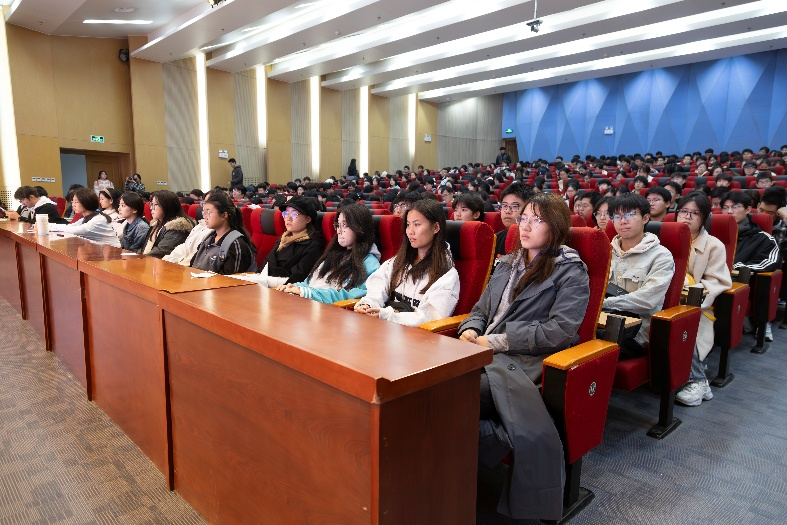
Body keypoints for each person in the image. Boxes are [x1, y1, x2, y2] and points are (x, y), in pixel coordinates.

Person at [457, 192, 589, 521]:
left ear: (555, 227)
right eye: (523, 219)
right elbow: (480, 310)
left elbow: (560, 332)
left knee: (454, 394)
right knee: (430, 387)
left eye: (536, 220)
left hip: (522, 362)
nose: (525, 227)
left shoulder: (571, 271)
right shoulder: (507, 263)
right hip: (482, 351)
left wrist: (496, 341)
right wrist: (470, 329)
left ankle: (495, 441)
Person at [355, 199, 459, 326]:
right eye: (408, 225)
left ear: (436, 227)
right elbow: (377, 286)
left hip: (416, 335)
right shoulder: (400, 260)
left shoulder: (447, 274)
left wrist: (387, 316)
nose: (410, 231)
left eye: (417, 224)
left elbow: (430, 317)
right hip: (385, 327)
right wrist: (368, 304)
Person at [673, 192, 732, 406]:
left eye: (695, 213)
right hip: (664, 297)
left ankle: (698, 380)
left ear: (704, 217)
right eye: (683, 211)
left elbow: (718, 281)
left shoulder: (714, 245)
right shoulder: (664, 237)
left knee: (684, 324)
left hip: (696, 303)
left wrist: (690, 289)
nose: (687, 217)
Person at [602, 193, 675, 356]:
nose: (623, 221)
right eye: (617, 216)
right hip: (602, 321)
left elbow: (647, 299)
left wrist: (603, 304)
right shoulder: (605, 251)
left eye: (630, 214)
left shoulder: (661, 256)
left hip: (636, 332)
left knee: (587, 349)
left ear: (646, 218)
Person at [277, 203, 381, 303]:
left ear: (360, 229)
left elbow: (353, 296)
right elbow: (310, 282)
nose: (339, 231)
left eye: (344, 225)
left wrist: (308, 293)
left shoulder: (370, 263)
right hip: (310, 304)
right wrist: (296, 287)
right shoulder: (334, 254)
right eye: (338, 225)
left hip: (331, 311)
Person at [722, 191, 781, 341]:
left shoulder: (762, 238)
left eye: (735, 207)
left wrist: (736, 266)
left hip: (739, 283)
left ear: (748, 209)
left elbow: (770, 262)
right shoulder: (713, 234)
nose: (729, 211)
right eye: (725, 207)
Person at [254, 196, 323, 287]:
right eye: (286, 213)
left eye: (294, 214)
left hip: (285, 292)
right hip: (265, 287)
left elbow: (298, 280)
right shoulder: (282, 240)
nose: (288, 218)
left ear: (308, 219)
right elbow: (264, 268)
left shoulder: (312, 246)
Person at [190, 191, 256, 275]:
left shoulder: (235, 244)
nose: (205, 217)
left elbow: (230, 280)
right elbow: (193, 265)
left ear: (224, 215)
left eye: (208, 212)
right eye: (204, 213)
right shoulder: (209, 238)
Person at [48, 188, 121, 247]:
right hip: (102, 251)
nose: (73, 205)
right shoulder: (85, 218)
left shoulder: (99, 219)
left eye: (76, 202)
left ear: (86, 202)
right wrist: (48, 226)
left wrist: (48, 226)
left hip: (114, 252)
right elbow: (70, 226)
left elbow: (75, 230)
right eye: (72, 202)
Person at [143, 191, 196, 258]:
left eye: (155, 205)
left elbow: (161, 252)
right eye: (151, 204)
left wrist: (139, 259)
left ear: (167, 206)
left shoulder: (177, 228)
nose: (151, 208)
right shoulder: (156, 224)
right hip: (149, 261)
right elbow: (143, 248)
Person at [494, 183, 532, 259]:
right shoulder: (495, 238)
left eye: (514, 206)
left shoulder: (536, 240)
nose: (508, 211)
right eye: (504, 206)